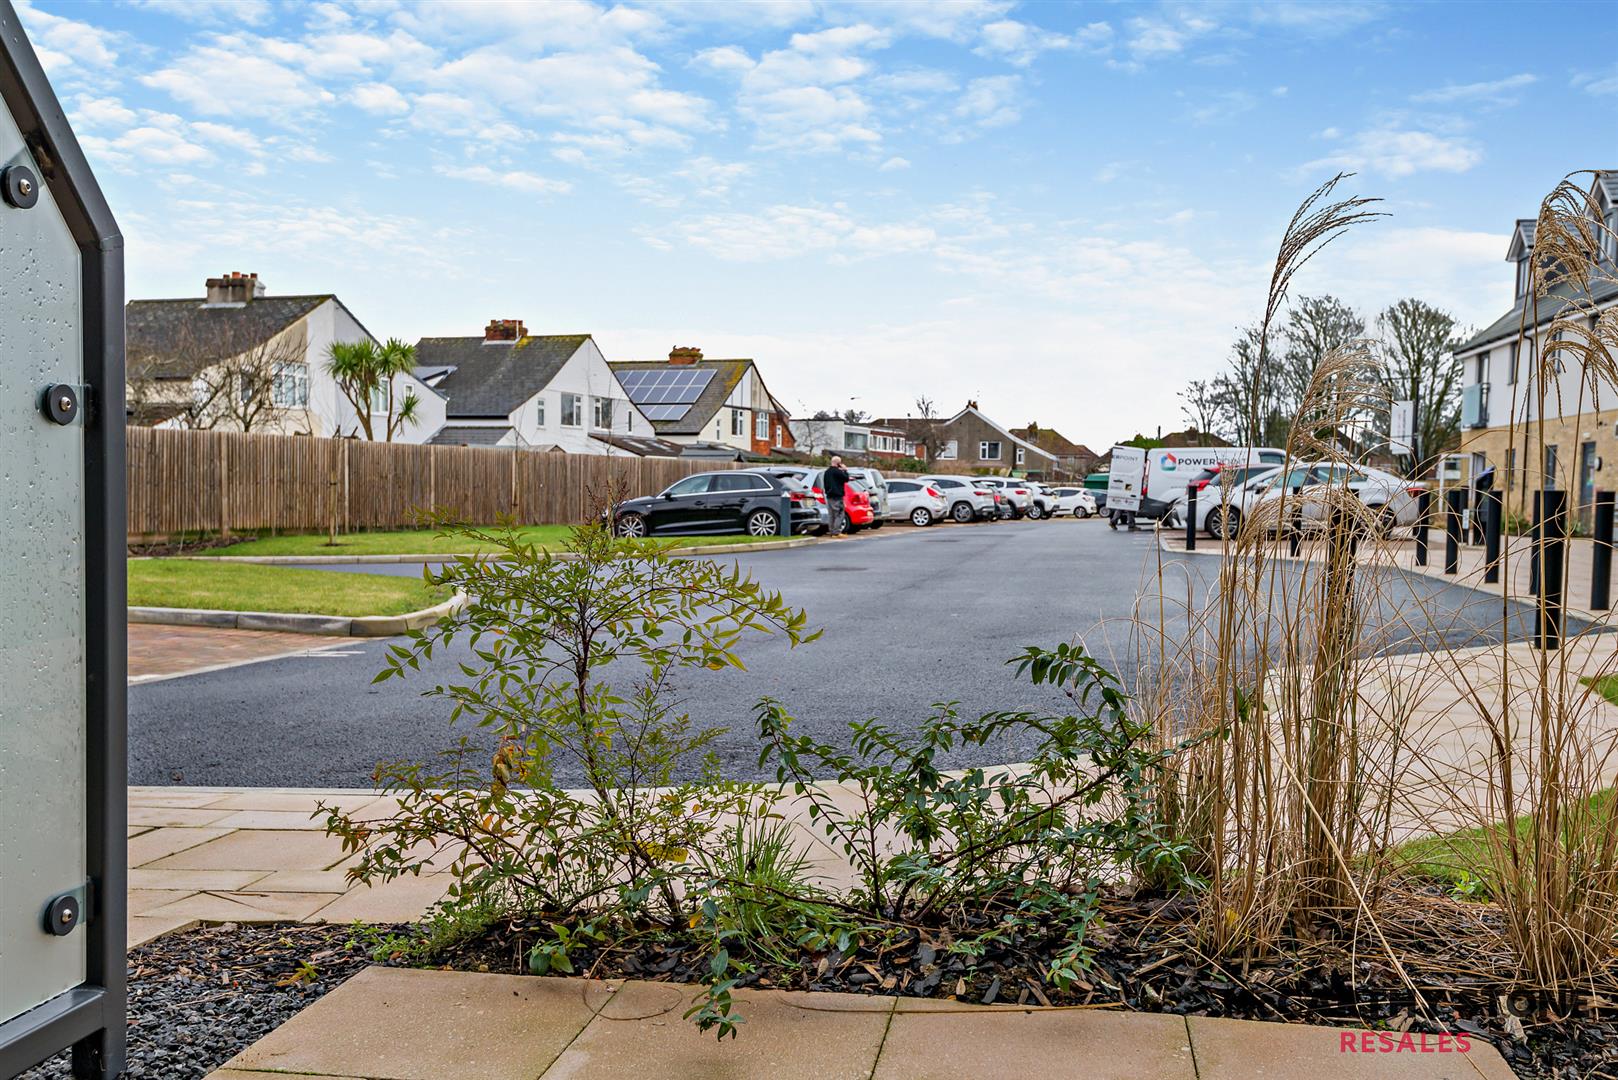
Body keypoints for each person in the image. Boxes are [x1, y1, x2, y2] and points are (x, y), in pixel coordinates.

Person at [824, 455, 851, 537]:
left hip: (829, 495)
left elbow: (825, 484)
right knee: (839, 514)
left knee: (831, 514)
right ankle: (836, 532)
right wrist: (845, 470)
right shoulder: (837, 472)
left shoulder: (827, 472)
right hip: (837, 495)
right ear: (838, 463)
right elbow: (846, 478)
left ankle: (832, 531)